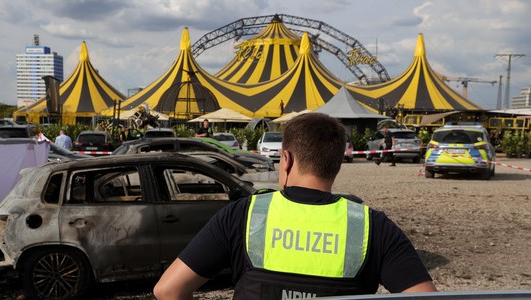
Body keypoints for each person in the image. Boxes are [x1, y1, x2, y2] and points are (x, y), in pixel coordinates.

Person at [154, 113, 436, 299]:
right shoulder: (371, 226)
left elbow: (168, 290)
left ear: (286, 160)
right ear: (336, 164)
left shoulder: (246, 214)